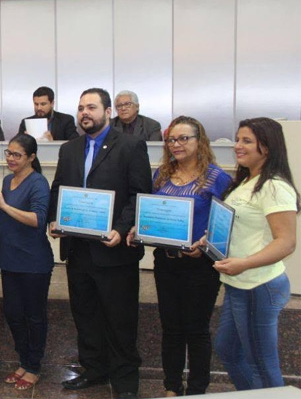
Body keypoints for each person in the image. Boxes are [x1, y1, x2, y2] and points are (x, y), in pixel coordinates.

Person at [48, 88, 152, 399]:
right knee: (86, 314)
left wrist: (122, 229)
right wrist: (55, 220)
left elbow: (139, 195)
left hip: (114, 250)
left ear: (108, 112)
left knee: (120, 318)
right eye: (80, 108)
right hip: (78, 250)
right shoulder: (70, 149)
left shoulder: (131, 145)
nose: (84, 113)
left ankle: (124, 380)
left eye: (91, 107)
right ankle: (94, 369)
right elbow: (58, 191)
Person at [126, 116, 231, 396]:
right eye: (172, 139)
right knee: (170, 329)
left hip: (201, 266)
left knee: (196, 331)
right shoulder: (160, 174)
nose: (176, 144)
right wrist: (140, 227)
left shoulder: (217, 178)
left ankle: (196, 390)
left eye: (184, 138)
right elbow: (151, 213)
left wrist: (207, 241)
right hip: (166, 263)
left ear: (200, 141)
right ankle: (171, 387)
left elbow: (227, 224)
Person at [206, 118, 299, 390]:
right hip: (238, 284)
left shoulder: (274, 186)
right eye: (237, 139)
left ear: (267, 147)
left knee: (261, 362)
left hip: (258, 285)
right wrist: (211, 239)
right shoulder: (247, 180)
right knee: (228, 350)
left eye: (246, 141)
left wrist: (244, 263)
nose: (237, 146)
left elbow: (286, 242)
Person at [0, 134, 52, 391]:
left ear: (31, 158)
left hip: (34, 262)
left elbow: (38, 220)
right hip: (10, 260)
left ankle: (34, 366)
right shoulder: (6, 180)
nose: (11, 158)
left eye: (17, 154)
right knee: (13, 313)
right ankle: (24, 360)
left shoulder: (38, 183)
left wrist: (4, 206)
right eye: (8, 153)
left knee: (34, 316)